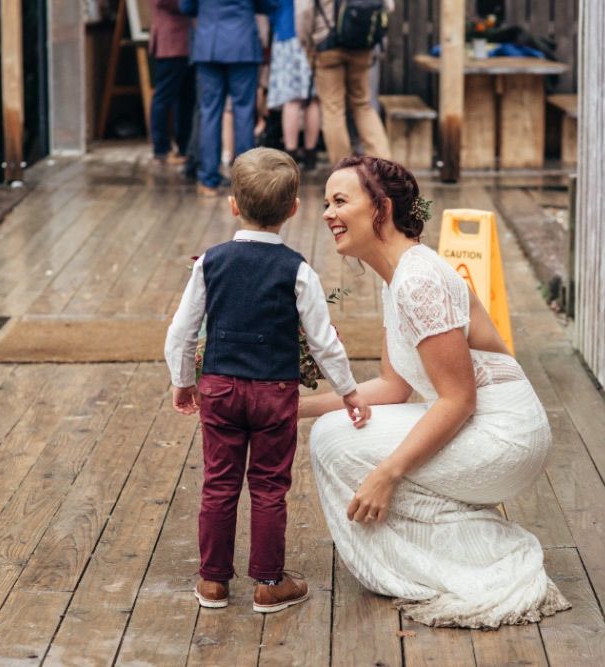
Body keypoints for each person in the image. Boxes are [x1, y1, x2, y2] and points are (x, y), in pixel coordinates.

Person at [299, 155, 571, 628]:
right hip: (475, 422)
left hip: (505, 437)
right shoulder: (396, 279)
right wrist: (292, 408)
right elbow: (393, 386)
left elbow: (458, 399)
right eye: (326, 202)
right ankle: (439, 549)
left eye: (340, 201)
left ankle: (475, 556)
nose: (327, 213)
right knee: (330, 430)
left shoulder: (419, 279)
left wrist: (388, 472)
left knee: (338, 441)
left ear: (380, 208)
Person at [164, 147, 370, 612]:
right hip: (275, 392)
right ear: (295, 208)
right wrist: (348, 390)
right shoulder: (297, 269)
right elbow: (322, 341)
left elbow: (181, 331)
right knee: (269, 486)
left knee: (218, 483)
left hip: (219, 387)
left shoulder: (210, 263)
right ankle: (269, 583)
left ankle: (213, 582)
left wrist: (183, 380)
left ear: (233, 204)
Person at [179, 0, 278, 197]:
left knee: (209, 112)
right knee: (244, 112)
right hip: (243, 45)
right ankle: (246, 182)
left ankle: (208, 180)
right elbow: (270, 4)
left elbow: (186, 7)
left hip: (209, 44)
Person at [295, 0, 391, 165]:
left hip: (326, 43)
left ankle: (344, 168)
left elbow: (304, 11)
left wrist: (306, 42)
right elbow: (388, 6)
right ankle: (384, 165)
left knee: (333, 109)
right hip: (361, 44)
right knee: (362, 105)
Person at [267, 0, 321, 170]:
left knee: (291, 100)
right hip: (314, 37)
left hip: (287, 34)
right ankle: (311, 155)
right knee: (312, 99)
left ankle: (291, 154)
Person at [149, 0, 194, 165]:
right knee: (164, 97)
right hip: (171, 42)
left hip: (185, 43)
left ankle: (183, 147)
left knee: (186, 99)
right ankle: (161, 149)